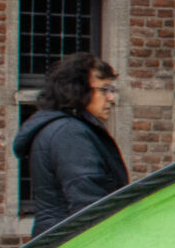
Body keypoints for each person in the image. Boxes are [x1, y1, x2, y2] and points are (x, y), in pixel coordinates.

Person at [12, 52, 130, 235]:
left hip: (59, 238)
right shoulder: (69, 133)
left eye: (111, 90)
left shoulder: (61, 128)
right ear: (78, 89)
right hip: (76, 243)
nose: (111, 98)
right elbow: (89, 206)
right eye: (104, 89)